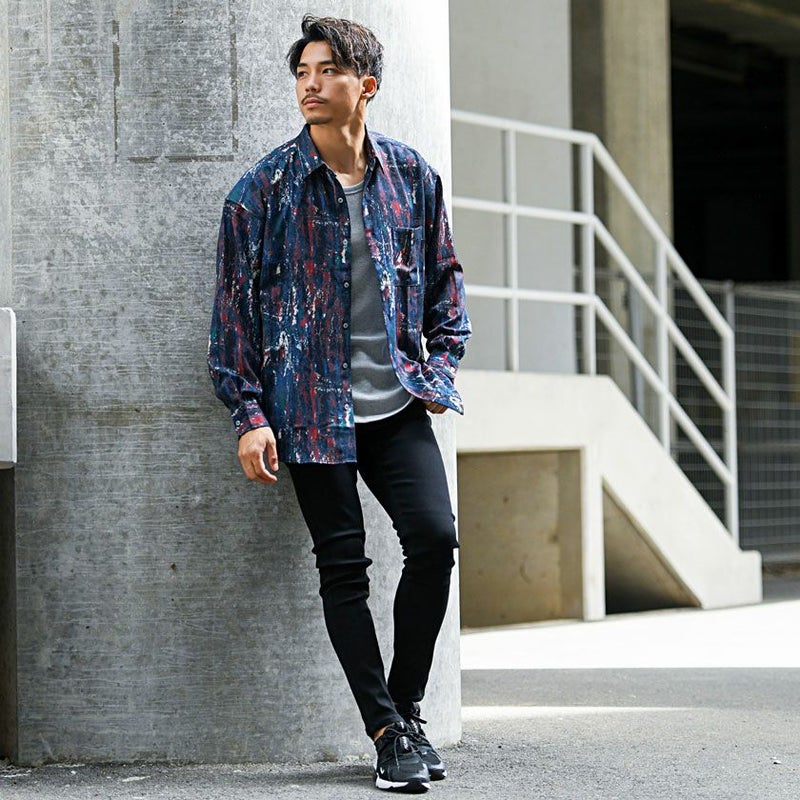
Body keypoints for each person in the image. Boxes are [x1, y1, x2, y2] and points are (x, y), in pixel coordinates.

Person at [208, 15, 470, 794]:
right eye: (302, 72)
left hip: (395, 407)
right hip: (309, 413)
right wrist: (249, 416)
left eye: (328, 70)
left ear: (367, 85)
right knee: (344, 566)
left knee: (435, 540)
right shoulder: (260, 193)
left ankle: (408, 708)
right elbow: (232, 320)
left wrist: (438, 370)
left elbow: (447, 286)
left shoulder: (412, 178)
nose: (311, 85)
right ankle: (387, 734)